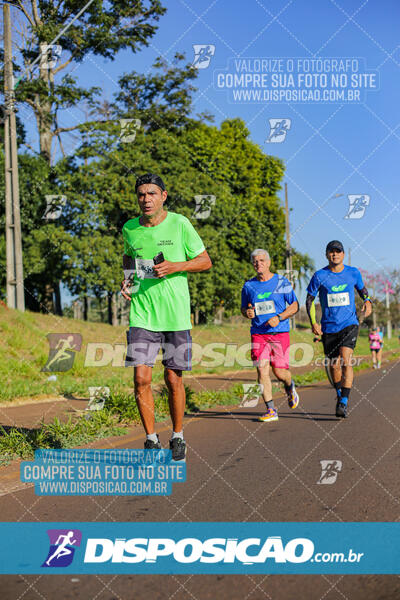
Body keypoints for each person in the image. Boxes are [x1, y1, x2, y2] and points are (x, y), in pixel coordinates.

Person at [121, 173, 212, 460]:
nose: (146, 199)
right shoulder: (130, 229)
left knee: (173, 379)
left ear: (164, 196)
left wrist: (176, 266)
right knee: (140, 379)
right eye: (141, 194)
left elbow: (205, 261)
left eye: (151, 194)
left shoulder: (180, 223)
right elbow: (128, 258)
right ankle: (150, 440)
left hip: (175, 315)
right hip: (143, 313)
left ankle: (177, 435)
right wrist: (127, 282)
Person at [306, 240, 372, 418]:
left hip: (349, 324)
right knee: (334, 365)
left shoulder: (353, 272)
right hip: (328, 326)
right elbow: (309, 300)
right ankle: (339, 394)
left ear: (343, 254)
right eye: (331, 251)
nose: (335, 254)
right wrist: (314, 322)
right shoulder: (319, 276)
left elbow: (363, 290)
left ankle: (344, 401)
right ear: (327, 255)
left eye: (338, 251)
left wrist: (368, 301)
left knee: (346, 359)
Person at [241, 249, 299, 423]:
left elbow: (295, 305)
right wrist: (248, 312)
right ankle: (271, 409)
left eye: (261, 260)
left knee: (280, 372)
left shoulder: (282, 282)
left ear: (269, 262)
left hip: (279, 333)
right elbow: (244, 308)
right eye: (255, 261)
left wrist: (279, 317)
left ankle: (290, 387)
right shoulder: (248, 286)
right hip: (259, 333)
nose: (258, 264)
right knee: (261, 369)